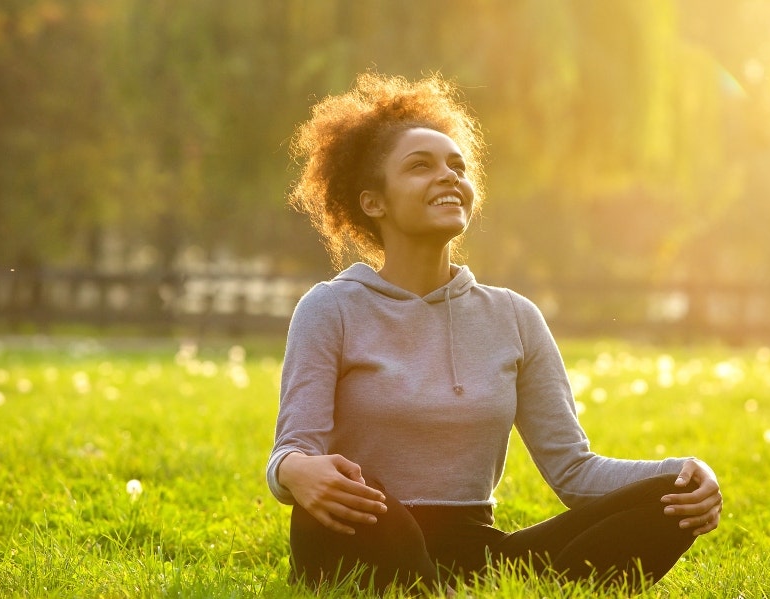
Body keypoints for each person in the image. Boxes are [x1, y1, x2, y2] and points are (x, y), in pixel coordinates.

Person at [266, 72, 722, 595]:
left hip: (474, 549)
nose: (448, 177)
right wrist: (295, 473)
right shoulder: (330, 308)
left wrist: (688, 470)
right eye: (421, 167)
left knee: (670, 498)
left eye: (456, 166)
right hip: (362, 530)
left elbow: (574, 470)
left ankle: (440, 589)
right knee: (371, 503)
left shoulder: (514, 316)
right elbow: (293, 451)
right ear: (374, 202)